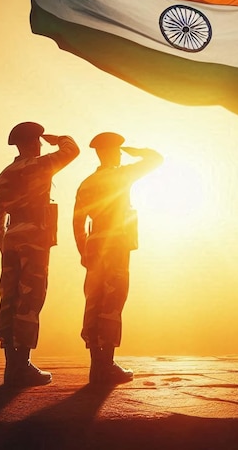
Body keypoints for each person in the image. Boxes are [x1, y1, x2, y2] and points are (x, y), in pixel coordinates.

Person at [0, 122, 79, 387]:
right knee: (31, 297)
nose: (41, 146)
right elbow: (72, 150)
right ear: (32, 143)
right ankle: (23, 365)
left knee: (9, 297)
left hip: (11, 236)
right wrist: (60, 137)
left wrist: (4, 244)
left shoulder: (5, 173)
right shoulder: (40, 165)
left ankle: (11, 365)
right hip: (34, 237)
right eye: (38, 142)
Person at [73, 132, 163, 384]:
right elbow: (157, 159)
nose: (120, 155)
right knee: (112, 302)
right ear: (112, 152)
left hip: (94, 243)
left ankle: (95, 365)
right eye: (118, 151)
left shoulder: (87, 183)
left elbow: (77, 221)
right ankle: (107, 364)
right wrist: (137, 150)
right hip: (115, 243)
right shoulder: (121, 175)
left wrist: (84, 252)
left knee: (93, 302)